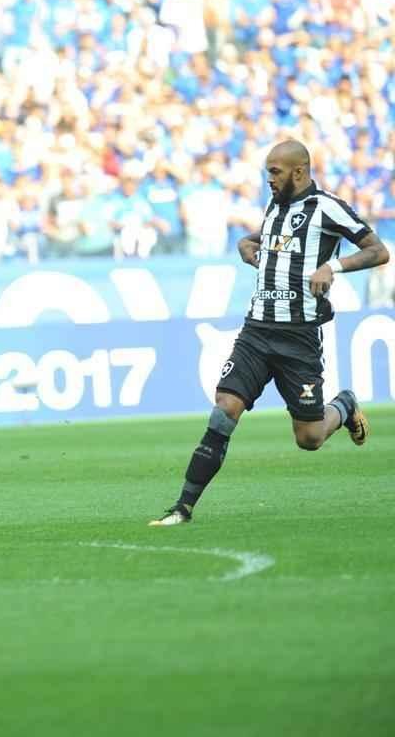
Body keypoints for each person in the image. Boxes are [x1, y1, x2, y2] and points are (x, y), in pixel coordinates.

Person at [151, 140, 390, 526]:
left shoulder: (327, 207)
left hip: (299, 338)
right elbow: (266, 238)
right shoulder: (275, 206)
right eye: (268, 173)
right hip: (256, 332)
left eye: (275, 172)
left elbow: (378, 251)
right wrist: (246, 243)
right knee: (224, 410)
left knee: (309, 438)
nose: (270, 180)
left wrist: (333, 267)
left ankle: (344, 405)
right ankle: (183, 507)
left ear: (299, 171)